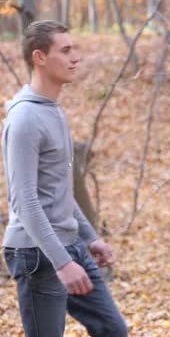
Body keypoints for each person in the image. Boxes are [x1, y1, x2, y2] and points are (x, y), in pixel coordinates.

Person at [2, 20, 128, 337]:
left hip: (69, 245)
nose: (76, 58)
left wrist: (89, 236)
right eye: (66, 50)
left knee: (113, 330)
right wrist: (61, 262)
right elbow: (24, 201)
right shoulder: (25, 118)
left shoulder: (53, 110)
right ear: (39, 57)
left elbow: (60, 190)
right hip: (35, 252)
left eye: (75, 49)